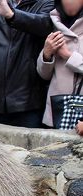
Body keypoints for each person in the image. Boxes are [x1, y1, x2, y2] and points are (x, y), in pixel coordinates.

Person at [37, 0, 83, 128]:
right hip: (57, 109)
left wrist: (68, 56)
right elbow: (44, 75)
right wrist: (46, 54)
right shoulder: (53, 24)